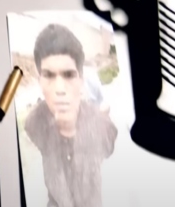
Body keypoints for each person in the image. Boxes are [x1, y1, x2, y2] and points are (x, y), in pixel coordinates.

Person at [24, 24, 118, 207]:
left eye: (68, 75)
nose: (60, 89)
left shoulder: (101, 125)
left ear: (81, 80)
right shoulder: (34, 122)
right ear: (39, 80)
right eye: (49, 75)